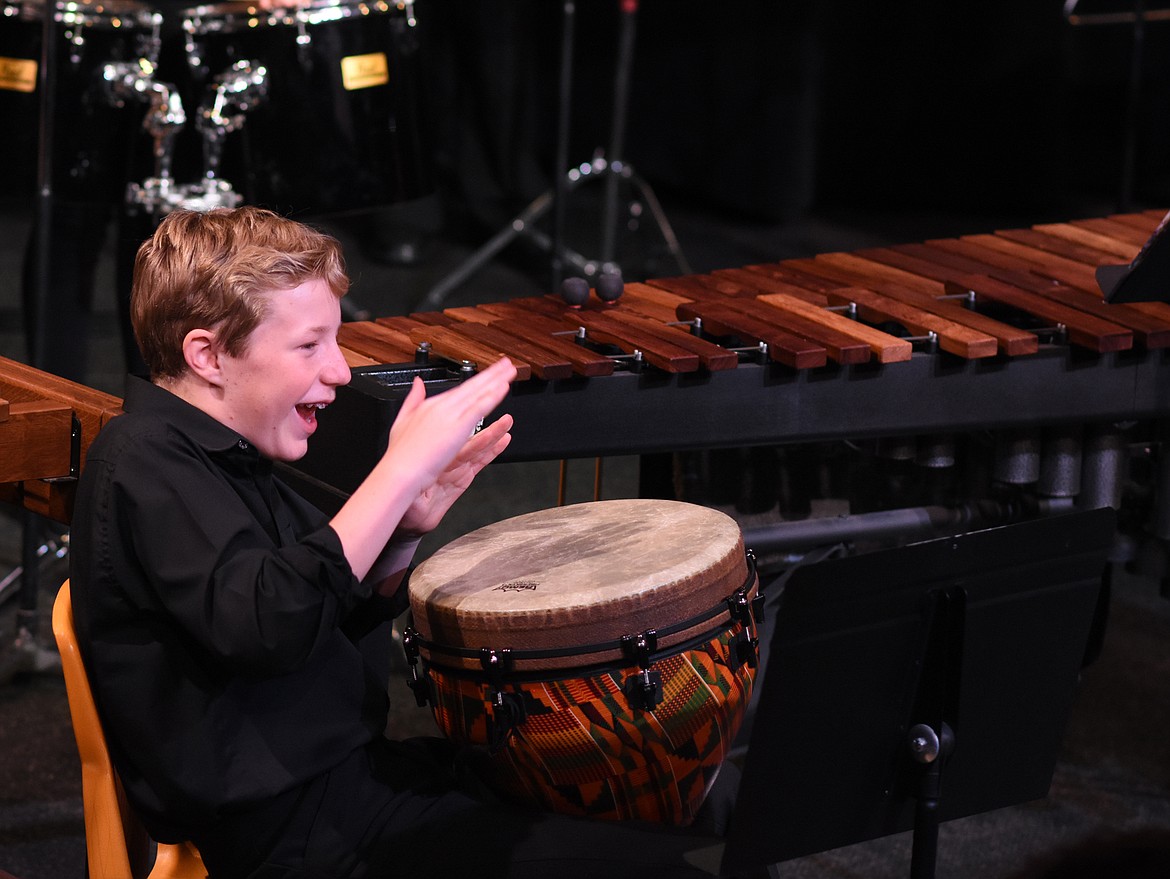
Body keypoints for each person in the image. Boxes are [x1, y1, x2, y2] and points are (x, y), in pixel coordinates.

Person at [68, 206, 734, 879]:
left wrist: (403, 530)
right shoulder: (143, 459)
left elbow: (315, 619)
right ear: (207, 354)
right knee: (678, 867)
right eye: (310, 345)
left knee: (648, 799)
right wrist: (396, 471)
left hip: (348, 782)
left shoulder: (225, 455)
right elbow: (266, 625)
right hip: (289, 832)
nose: (338, 372)